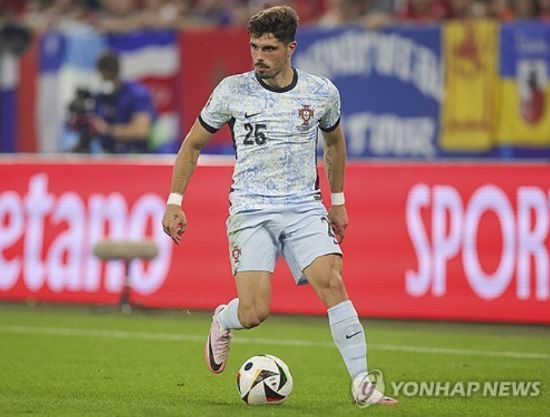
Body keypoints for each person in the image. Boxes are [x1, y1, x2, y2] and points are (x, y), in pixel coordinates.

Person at [161, 5, 397, 407]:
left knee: (332, 282)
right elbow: (192, 144)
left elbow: (335, 144)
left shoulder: (320, 92)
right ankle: (224, 318)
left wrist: (338, 201)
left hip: (304, 207)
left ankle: (363, 385)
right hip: (250, 209)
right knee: (254, 312)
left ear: (291, 48)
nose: (259, 56)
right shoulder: (232, 90)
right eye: (254, 47)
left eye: (268, 49)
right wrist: (174, 201)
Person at [91, 50, 156, 153]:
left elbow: (141, 131)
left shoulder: (136, 94)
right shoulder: (100, 96)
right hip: (108, 154)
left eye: (109, 77)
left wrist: (107, 130)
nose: (107, 82)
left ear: (116, 73)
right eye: (104, 77)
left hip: (136, 154)